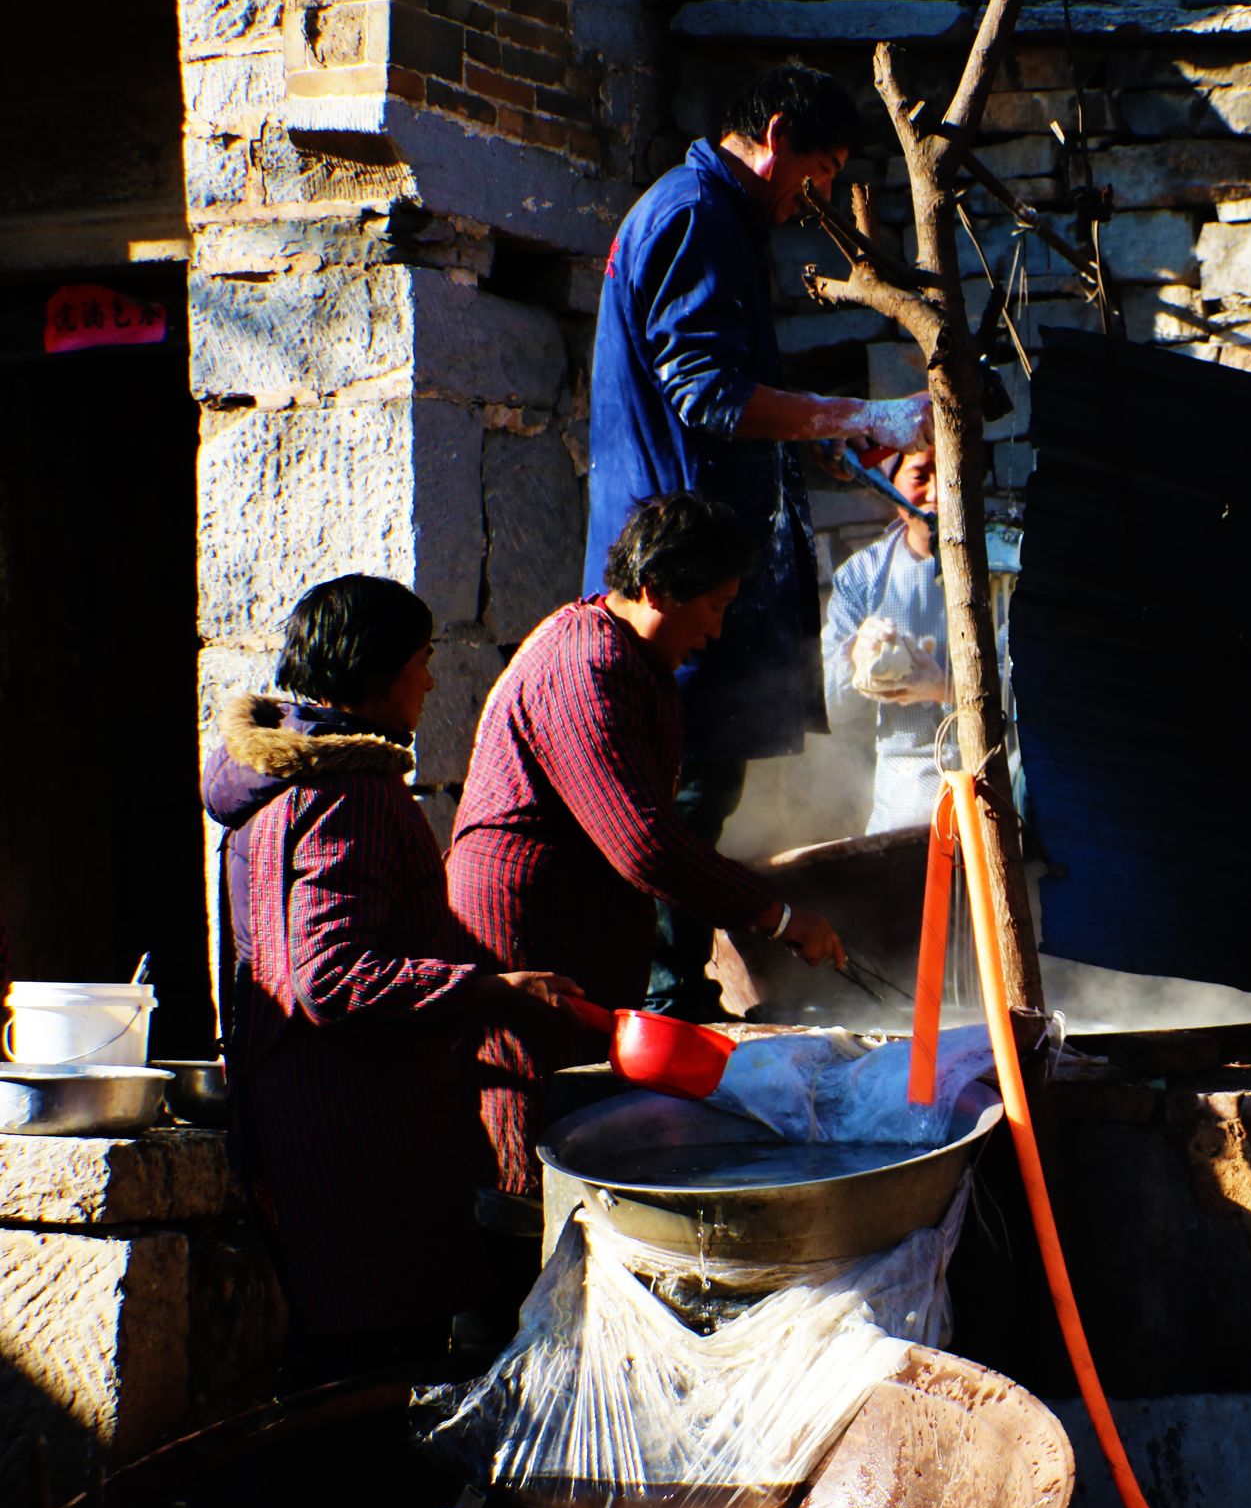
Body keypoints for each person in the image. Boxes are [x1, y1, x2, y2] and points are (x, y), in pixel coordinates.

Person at [589, 63, 932, 1021]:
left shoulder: (707, 212)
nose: (813, 199)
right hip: (677, 556)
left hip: (693, 542)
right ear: (774, 134)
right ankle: (665, 1005)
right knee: (684, 793)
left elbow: (720, 402)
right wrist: (853, 412)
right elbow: (706, 397)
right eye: (817, 173)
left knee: (697, 789)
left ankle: (672, 992)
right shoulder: (696, 215)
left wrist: (825, 438)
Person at [201, 575, 581, 1375]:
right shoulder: (351, 795)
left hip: (295, 1118)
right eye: (422, 658)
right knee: (370, 1377)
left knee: (327, 1363)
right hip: (357, 1136)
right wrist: (483, 991)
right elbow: (328, 974)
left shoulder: (278, 787)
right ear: (378, 671)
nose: (432, 679)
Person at [450, 493, 849, 1206]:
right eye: (712, 607)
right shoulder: (587, 664)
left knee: (580, 1130)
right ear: (657, 587)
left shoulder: (631, 659)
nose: (716, 632)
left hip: (581, 932)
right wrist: (779, 919)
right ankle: (509, 1302)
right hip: (529, 935)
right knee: (531, 1145)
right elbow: (641, 843)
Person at [822, 447, 956, 833]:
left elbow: (1028, 695)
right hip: (906, 796)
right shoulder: (862, 577)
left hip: (994, 781)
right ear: (889, 485)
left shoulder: (1005, 565)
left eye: (948, 474)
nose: (937, 492)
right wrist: (853, 656)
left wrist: (945, 688)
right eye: (919, 477)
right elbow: (831, 707)